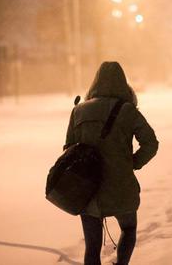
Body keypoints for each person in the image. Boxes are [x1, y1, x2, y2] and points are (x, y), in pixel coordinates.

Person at [65, 61, 159, 265]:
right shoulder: (127, 110)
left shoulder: (79, 111)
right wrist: (132, 163)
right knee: (128, 229)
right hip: (120, 186)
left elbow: (68, 150)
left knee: (92, 246)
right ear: (122, 83)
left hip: (88, 188)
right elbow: (151, 143)